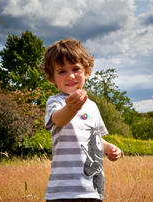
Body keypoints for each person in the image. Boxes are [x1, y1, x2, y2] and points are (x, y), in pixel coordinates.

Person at [40, 38, 121, 202]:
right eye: (62, 71)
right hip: (63, 190)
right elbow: (59, 120)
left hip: (93, 188)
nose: (70, 76)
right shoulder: (55, 102)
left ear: (87, 72)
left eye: (76, 69)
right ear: (52, 79)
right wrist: (71, 107)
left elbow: (95, 139)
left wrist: (109, 148)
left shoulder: (92, 106)